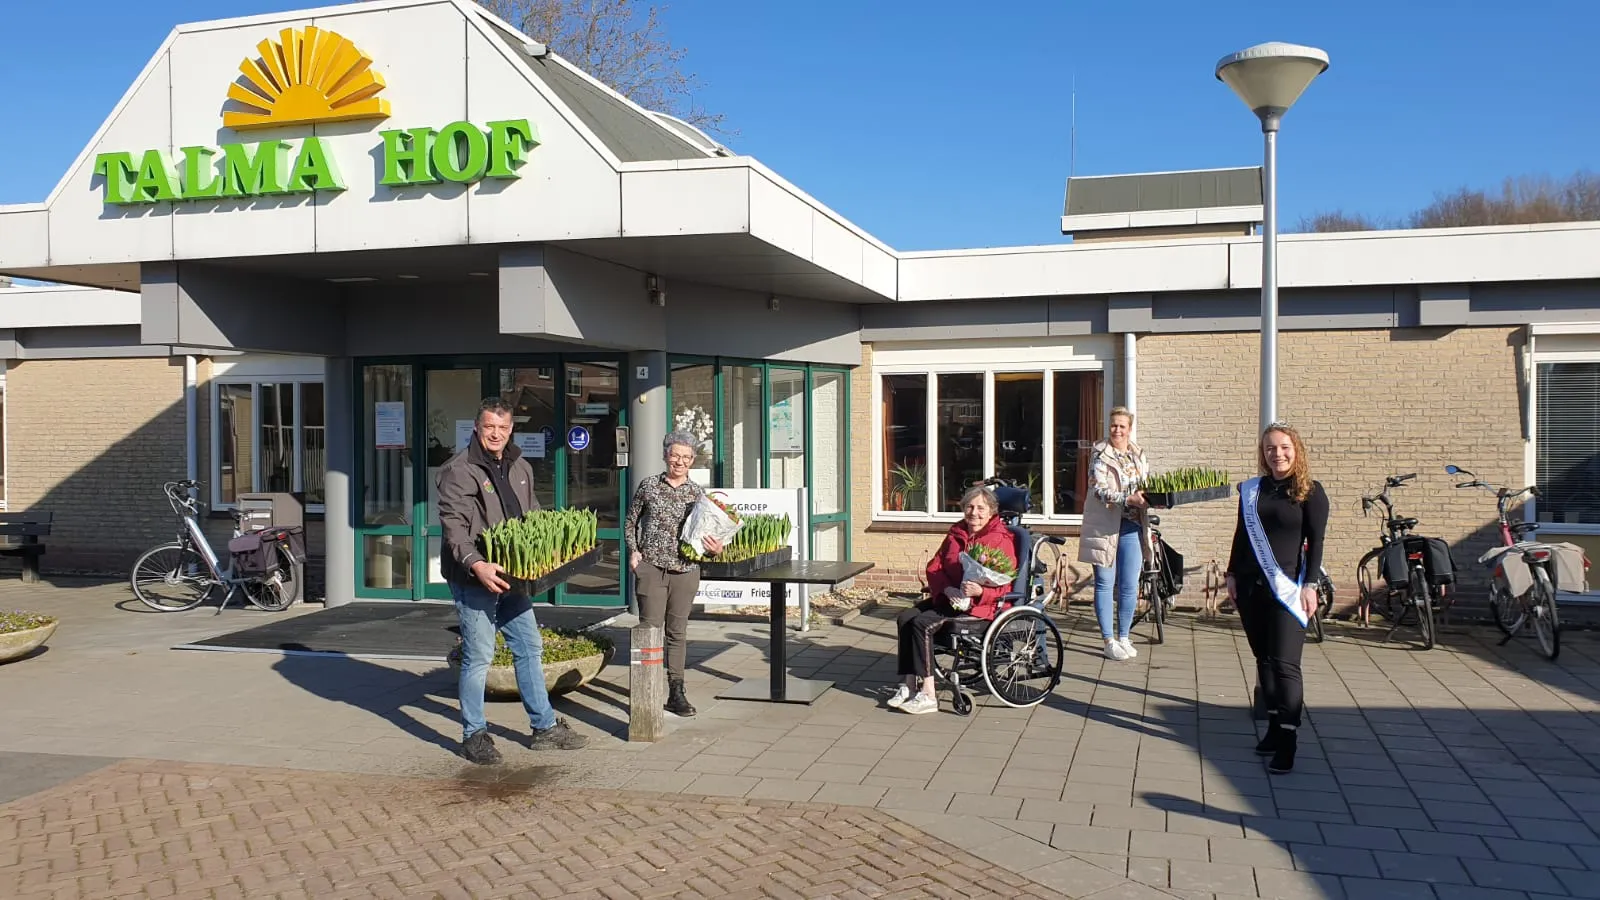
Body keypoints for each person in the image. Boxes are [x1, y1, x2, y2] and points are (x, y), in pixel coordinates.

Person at [438, 397, 588, 765]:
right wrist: (477, 564)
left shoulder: (520, 465)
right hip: (475, 578)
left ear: (511, 429)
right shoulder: (459, 469)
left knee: (529, 646)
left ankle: (544, 728)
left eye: (503, 428)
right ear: (477, 427)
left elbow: (531, 515)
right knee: (479, 656)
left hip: (513, 577)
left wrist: (553, 548)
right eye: (489, 426)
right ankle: (473, 735)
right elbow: (454, 527)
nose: (496, 434)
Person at [1225, 422, 1330, 775]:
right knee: (1265, 661)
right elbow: (1242, 535)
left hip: (1288, 588)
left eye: (1284, 447)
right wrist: (1231, 573)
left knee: (1286, 665)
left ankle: (1288, 738)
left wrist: (1311, 584)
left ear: (1296, 450)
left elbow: (1316, 542)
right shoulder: (1253, 490)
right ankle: (1272, 726)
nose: (1277, 454)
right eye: (1270, 448)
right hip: (1251, 587)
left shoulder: (1310, 491)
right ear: (1263, 453)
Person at [888, 484, 1019, 715]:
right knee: (906, 617)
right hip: (951, 599)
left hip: (982, 608)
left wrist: (980, 592)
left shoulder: (1001, 539)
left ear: (991, 511)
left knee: (922, 624)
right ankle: (909, 685)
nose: (974, 513)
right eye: (969, 507)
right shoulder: (956, 533)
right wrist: (947, 589)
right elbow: (935, 567)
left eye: (980, 508)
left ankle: (928, 693)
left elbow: (1005, 585)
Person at [625, 431, 724, 718]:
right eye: (675, 455)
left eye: (686, 457)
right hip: (652, 569)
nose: (679, 461)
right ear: (665, 455)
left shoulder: (698, 494)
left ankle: (676, 692)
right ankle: (646, 689)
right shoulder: (648, 486)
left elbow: (708, 534)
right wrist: (634, 552)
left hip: (685, 571)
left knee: (677, 633)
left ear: (693, 460)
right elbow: (631, 521)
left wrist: (715, 550)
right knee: (649, 630)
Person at [1078, 407, 1151, 661]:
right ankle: (1108, 641)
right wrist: (1127, 499)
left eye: (1122, 426)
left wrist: (1152, 499)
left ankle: (1124, 637)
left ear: (1129, 429)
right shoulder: (1100, 454)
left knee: (1130, 585)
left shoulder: (1138, 454)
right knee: (1105, 583)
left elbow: (1146, 485)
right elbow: (1098, 490)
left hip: (1132, 525)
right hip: (1105, 525)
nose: (1117, 430)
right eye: (1113, 425)